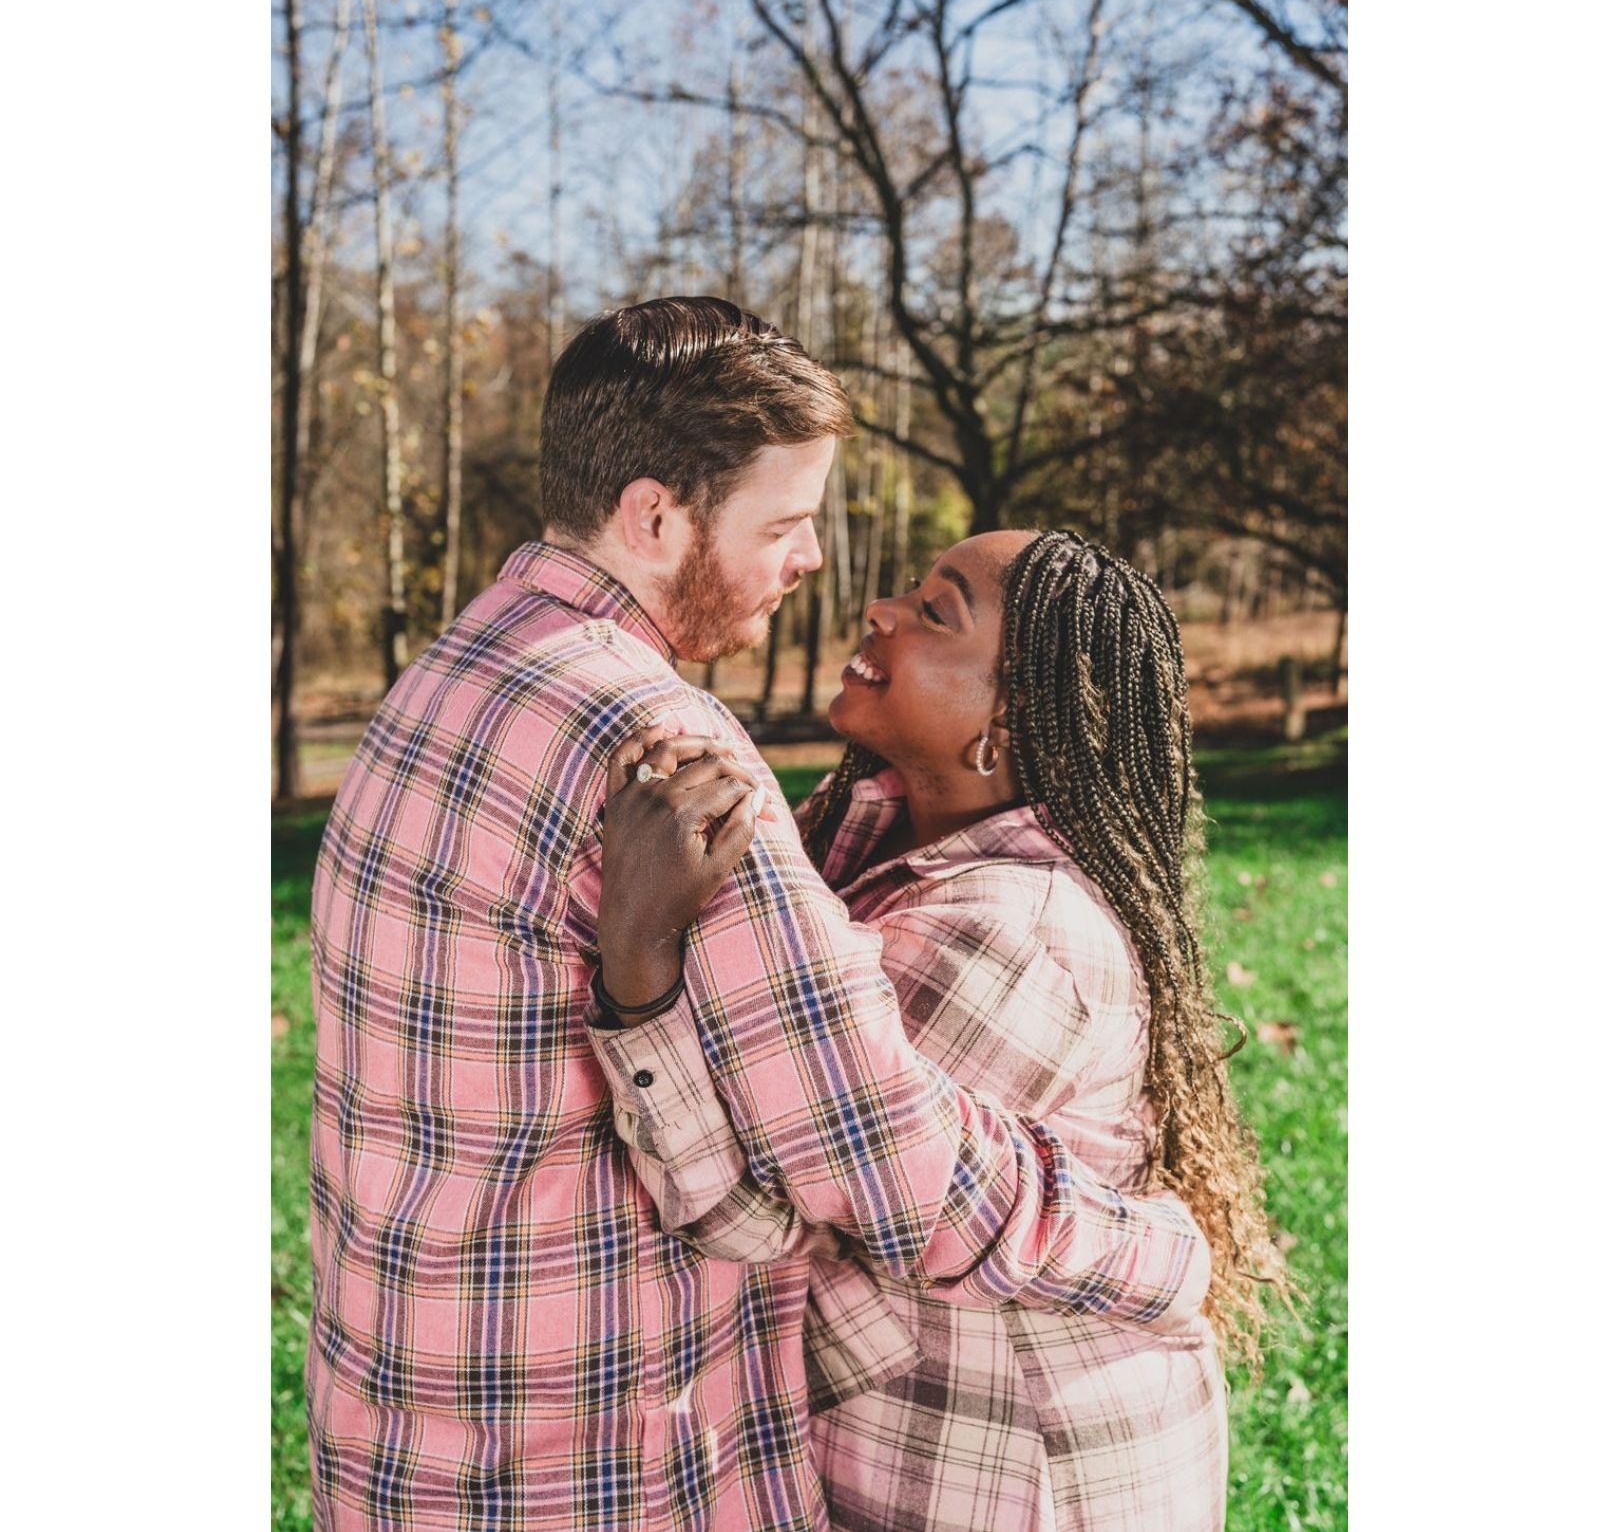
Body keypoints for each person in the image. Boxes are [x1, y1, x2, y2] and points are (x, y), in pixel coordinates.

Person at [305, 299, 1212, 1532]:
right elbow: (876, 1161)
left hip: (405, 1413)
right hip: (584, 1446)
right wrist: (1161, 1249)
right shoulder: (659, 745)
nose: (819, 563)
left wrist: (639, 979)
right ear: (654, 517)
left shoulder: (450, 670)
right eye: (782, 524)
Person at [593, 529, 1292, 1532]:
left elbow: (763, 1216)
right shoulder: (873, 832)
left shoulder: (1005, 935)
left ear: (1006, 720)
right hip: (920, 1438)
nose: (879, 610)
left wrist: (638, 963)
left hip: (1018, 1478)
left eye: (934, 612)